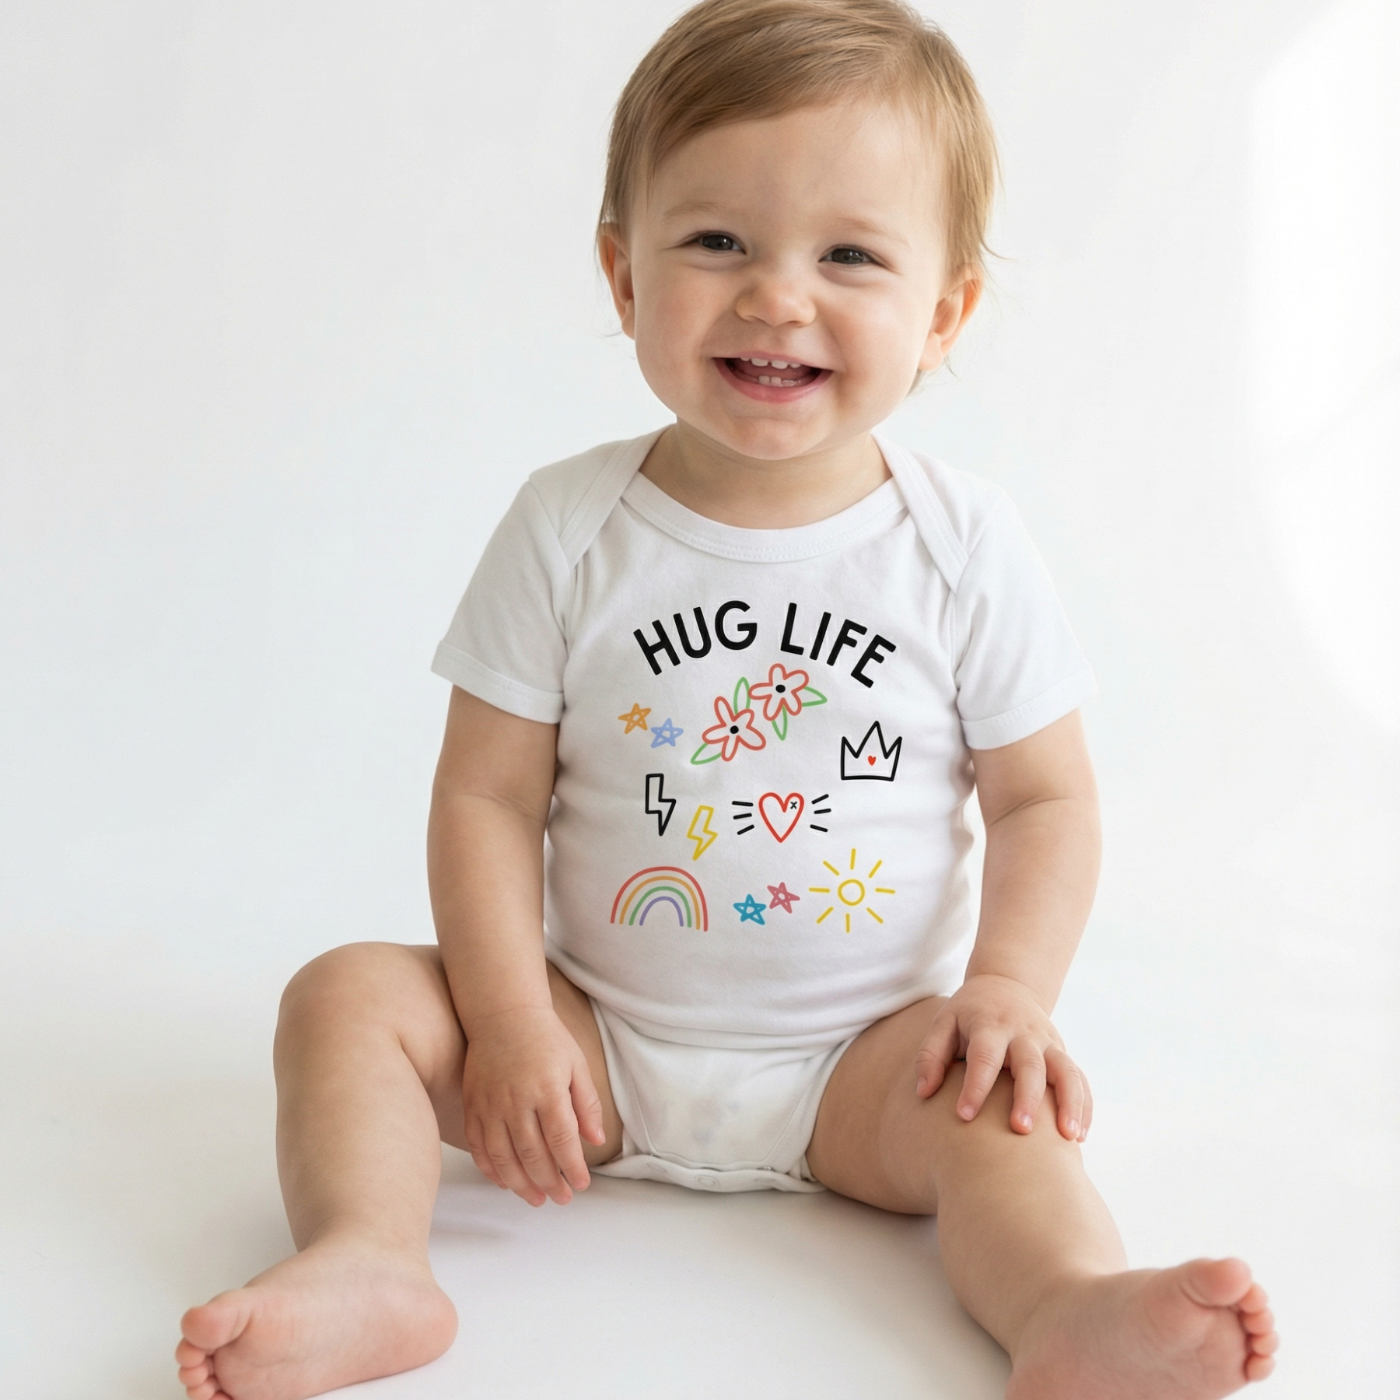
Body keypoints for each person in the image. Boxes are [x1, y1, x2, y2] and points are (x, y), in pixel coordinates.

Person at [175, 2, 1280, 1397]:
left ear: (944, 314)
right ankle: (370, 1259)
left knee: (1006, 1110)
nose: (776, 296)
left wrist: (1005, 993)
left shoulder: (962, 544)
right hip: (589, 1050)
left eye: (850, 256)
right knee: (343, 998)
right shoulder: (570, 523)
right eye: (716, 243)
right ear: (622, 276)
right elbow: (487, 792)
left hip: (866, 1072)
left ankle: (1063, 1303)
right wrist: (511, 1022)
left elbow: (1047, 794)